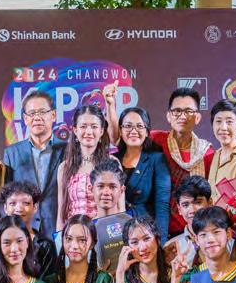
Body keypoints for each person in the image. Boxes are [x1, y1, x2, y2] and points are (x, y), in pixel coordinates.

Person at [151, 87, 214, 235]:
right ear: (168, 116)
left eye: (188, 111)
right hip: (159, 228)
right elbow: (121, 141)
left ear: (197, 117)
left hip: (196, 229)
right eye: (177, 111)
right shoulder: (155, 140)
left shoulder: (207, 153)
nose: (182, 116)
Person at [3, 89, 65, 234]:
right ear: (25, 119)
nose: (37, 117)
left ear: (53, 115)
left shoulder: (68, 150)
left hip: (59, 228)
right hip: (23, 229)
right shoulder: (12, 153)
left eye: (42, 112)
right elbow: (5, 197)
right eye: (32, 113)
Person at [116, 107, 170, 237]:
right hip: (116, 231)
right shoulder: (113, 160)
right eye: (128, 126)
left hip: (145, 232)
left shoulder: (157, 159)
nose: (133, 131)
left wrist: (161, 241)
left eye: (139, 126)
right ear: (120, 131)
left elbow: (162, 205)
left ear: (147, 132)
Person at [57, 104, 111, 229]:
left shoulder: (111, 163)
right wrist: (60, 238)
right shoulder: (64, 167)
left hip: (103, 233)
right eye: (83, 126)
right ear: (75, 130)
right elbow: (61, 213)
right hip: (74, 234)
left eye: (94, 126)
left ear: (101, 131)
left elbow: (118, 208)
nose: (88, 132)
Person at [0, 181, 59, 279]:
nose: (19, 208)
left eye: (25, 203)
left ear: (35, 207)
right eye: (13, 203)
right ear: (5, 208)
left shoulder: (45, 246)